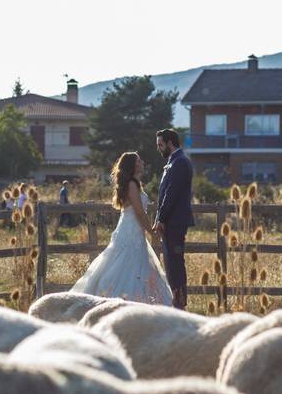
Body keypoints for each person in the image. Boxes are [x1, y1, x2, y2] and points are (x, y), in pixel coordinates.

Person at [69, 152, 172, 305]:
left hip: (134, 230)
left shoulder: (135, 183)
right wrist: (152, 232)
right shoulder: (131, 184)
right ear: (132, 165)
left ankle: (143, 302)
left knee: (136, 266)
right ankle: (122, 301)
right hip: (130, 229)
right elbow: (139, 211)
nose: (142, 162)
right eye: (139, 161)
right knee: (125, 264)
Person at [153, 128, 195, 310]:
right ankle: (176, 300)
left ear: (170, 143)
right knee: (171, 262)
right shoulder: (173, 161)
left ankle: (180, 302)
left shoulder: (180, 162)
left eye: (160, 145)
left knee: (175, 262)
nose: (159, 149)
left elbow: (171, 193)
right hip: (170, 221)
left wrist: (161, 218)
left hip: (175, 221)